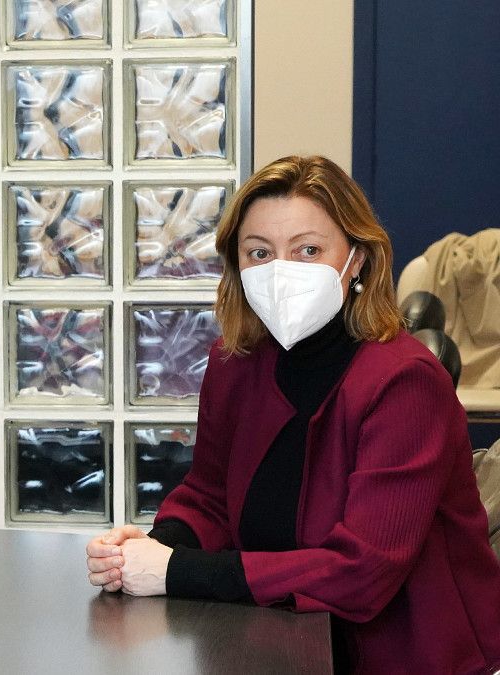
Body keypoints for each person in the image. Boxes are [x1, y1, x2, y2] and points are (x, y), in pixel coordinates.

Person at [86, 156, 500, 674]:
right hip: (270, 635)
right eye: (259, 252)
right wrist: (150, 550)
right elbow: (209, 495)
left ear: (358, 261)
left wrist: (177, 571)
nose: (281, 271)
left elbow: (363, 570)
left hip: (407, 654)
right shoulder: (234, 362)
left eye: (308, 249)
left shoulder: (406, 382)